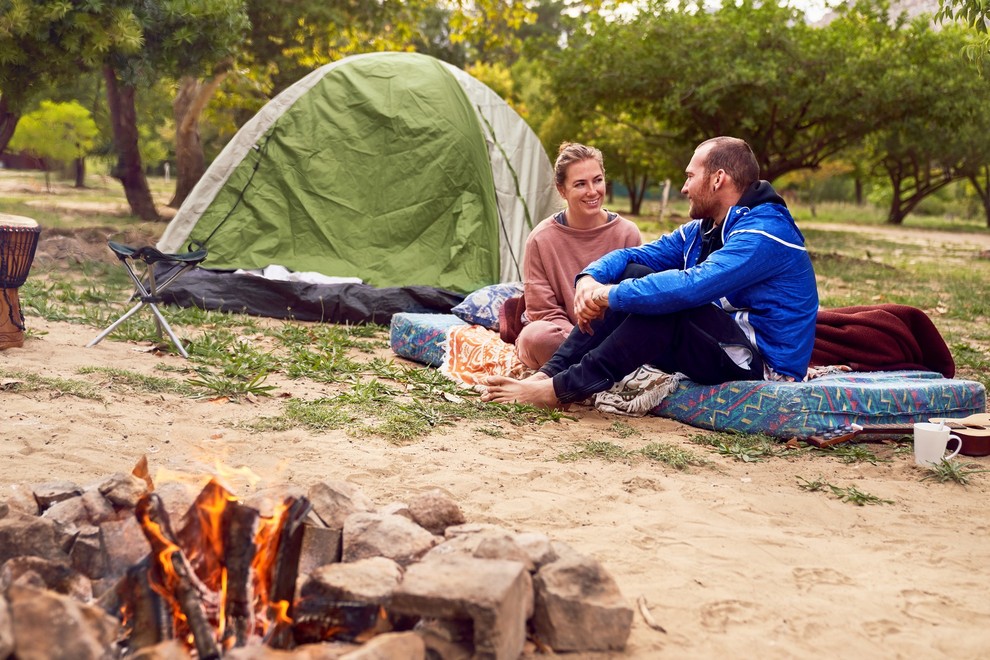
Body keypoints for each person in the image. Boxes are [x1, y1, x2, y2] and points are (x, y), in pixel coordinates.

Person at [482, 136, 819, 408]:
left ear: (718, 180)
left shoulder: (763, 234)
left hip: (762, 364)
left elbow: (691, 287)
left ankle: (560, 390)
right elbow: (637, 255)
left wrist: (608, 295)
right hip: (725, 340)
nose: (685, 187)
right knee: (635, 271)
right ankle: (550, 374)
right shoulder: (707, 228)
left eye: (690, 176)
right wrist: (589, 280)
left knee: (662, 308)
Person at [513, 142, 642, 369]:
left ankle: (584, 369)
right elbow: (542, 311)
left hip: (614, 337)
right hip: (560, 336)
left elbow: (633, 298)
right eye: (580, 184)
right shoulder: (540, 239)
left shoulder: (627, 232)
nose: (592, 191)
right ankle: (590, 369)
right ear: (562, 190)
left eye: (597, 180)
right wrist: (578, 342)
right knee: (535, 337)